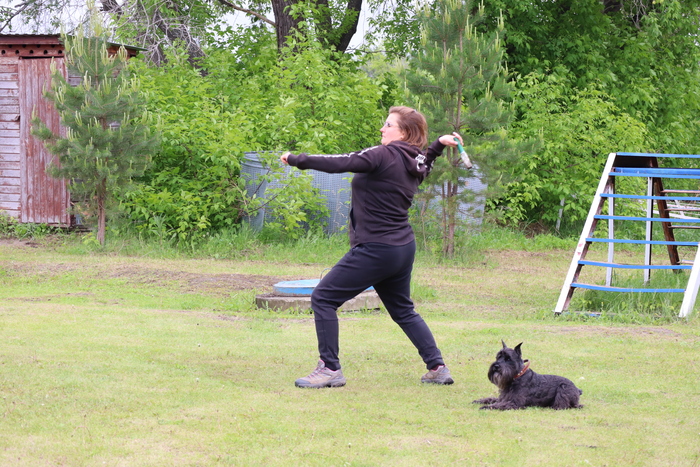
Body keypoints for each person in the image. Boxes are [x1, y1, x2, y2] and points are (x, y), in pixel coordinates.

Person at [280, 105, 463, 388]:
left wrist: (296, 159)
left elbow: (341, 161)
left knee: (323, 298)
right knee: (403, 310)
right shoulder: (415, 162)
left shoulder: (382, 155)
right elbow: (427, 161)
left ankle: (329, 369)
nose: (382, 128)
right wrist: (438, 144)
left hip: (376, 248)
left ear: (404, 132)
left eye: (388, 124)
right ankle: (437, 367)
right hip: (402, 248)